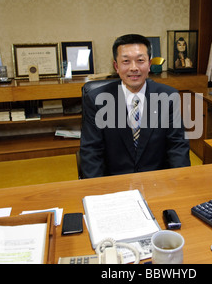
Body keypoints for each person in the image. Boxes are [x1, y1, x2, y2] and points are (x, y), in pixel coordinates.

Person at [80, 34, 190, 178]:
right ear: (116, 66)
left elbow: (177, 147)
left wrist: (181, 183)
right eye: (126, 61)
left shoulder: (168, 97)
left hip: (157, 182)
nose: (134, 68)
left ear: (149, 65)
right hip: (114, 183)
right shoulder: (97, 100)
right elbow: (91, 152)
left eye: (140, 61)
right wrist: (99, 192)